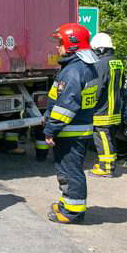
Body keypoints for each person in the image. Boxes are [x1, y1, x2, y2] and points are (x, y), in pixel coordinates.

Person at [43, 23, 100, 224]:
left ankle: (72, 212)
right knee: (69, 169)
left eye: (60, 42)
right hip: (77, 130)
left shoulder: (74, 70)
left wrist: (51, 128)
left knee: (70, 171)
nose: (57, 46)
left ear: (72, 44)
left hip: (70, 131)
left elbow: (66, 105)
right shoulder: (84, 67)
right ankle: (67, 203)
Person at [89, 32, 124, 178]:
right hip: (115, 107)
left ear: (101, 49)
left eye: (95, 50)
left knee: (102, 137)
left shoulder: (100, 64)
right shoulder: (117, 62)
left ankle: (106, 167)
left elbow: (97, 87)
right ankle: (108, 162)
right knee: (110, 137)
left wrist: (90, 104)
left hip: (103, 109)